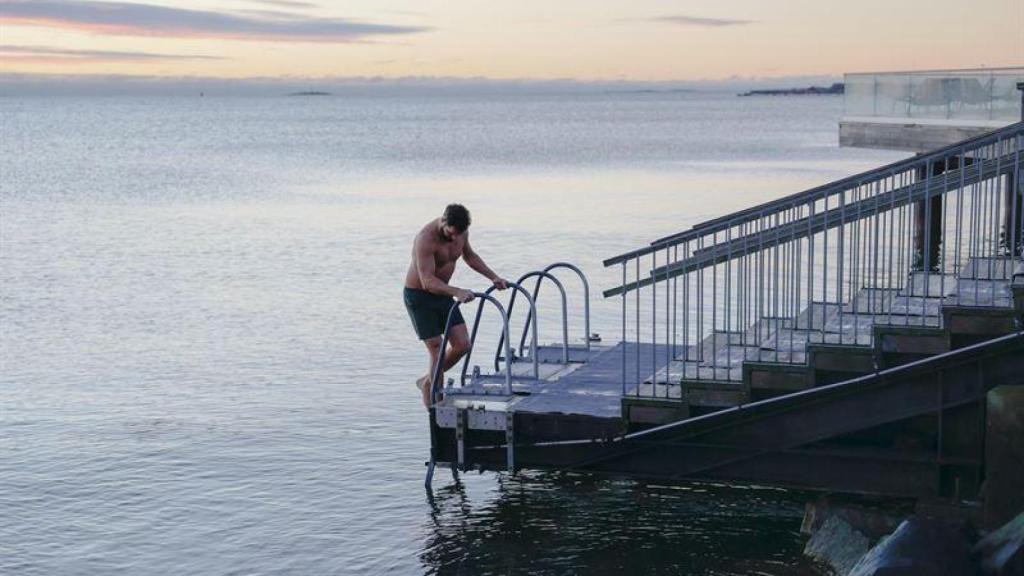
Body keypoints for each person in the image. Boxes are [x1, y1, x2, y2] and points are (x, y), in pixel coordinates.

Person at [404, 204, 507, 409]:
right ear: (443, 221)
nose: (453, 239)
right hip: (420, 297)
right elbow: (427, 281)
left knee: (463, 345)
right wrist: (457, 292)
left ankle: (428, 380)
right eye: (450, 233)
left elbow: (470, 256)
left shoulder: (461, 232)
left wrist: (493, 277)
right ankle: (434, 402)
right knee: (437, 349)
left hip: (443, 294)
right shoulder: (425, 238)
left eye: (457, 235)